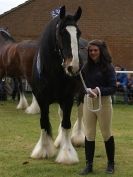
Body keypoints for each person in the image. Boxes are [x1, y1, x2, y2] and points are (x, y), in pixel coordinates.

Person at [79, 39, 116, 175]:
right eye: (90, 50)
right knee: (89, 134)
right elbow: (80, 85)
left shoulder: (108, 67)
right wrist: (85, 91)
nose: (93, 52)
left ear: (101, 51)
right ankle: (89, 165)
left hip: (104, 103)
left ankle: (111, 164)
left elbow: (112, 88)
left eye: (95, 50)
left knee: (106, 133)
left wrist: (98, 90)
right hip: (88, 103)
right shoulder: (85, 68)